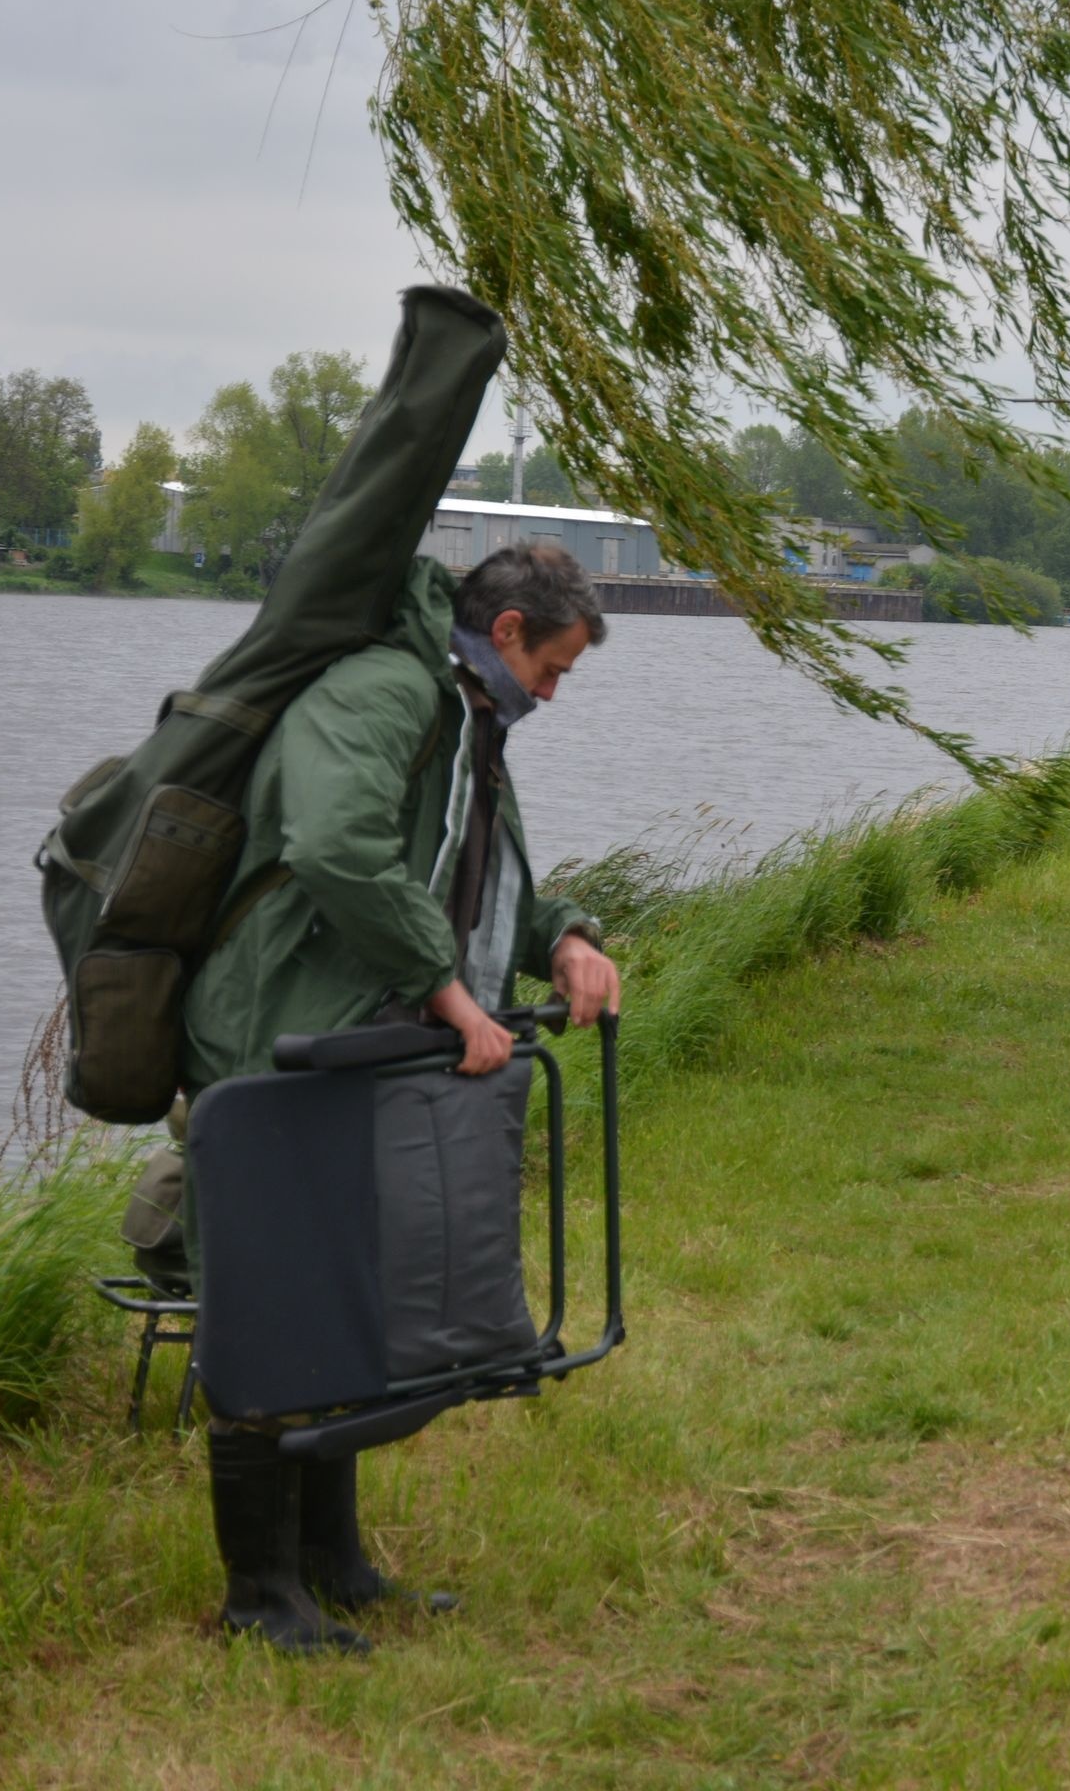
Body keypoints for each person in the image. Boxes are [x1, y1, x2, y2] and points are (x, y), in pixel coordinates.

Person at [179, 540, 622, 1654]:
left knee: (344, 1297)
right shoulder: (384, 692)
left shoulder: (467, 713)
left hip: (356, 1038)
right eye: (554, 669)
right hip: (278, 1034)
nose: (554, 695)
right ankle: (258, 1598)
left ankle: (334, 1567)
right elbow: (336, 846)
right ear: (508, 631)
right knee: (275, 1305)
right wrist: (448, 993)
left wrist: (565, 937)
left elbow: (478, 877)